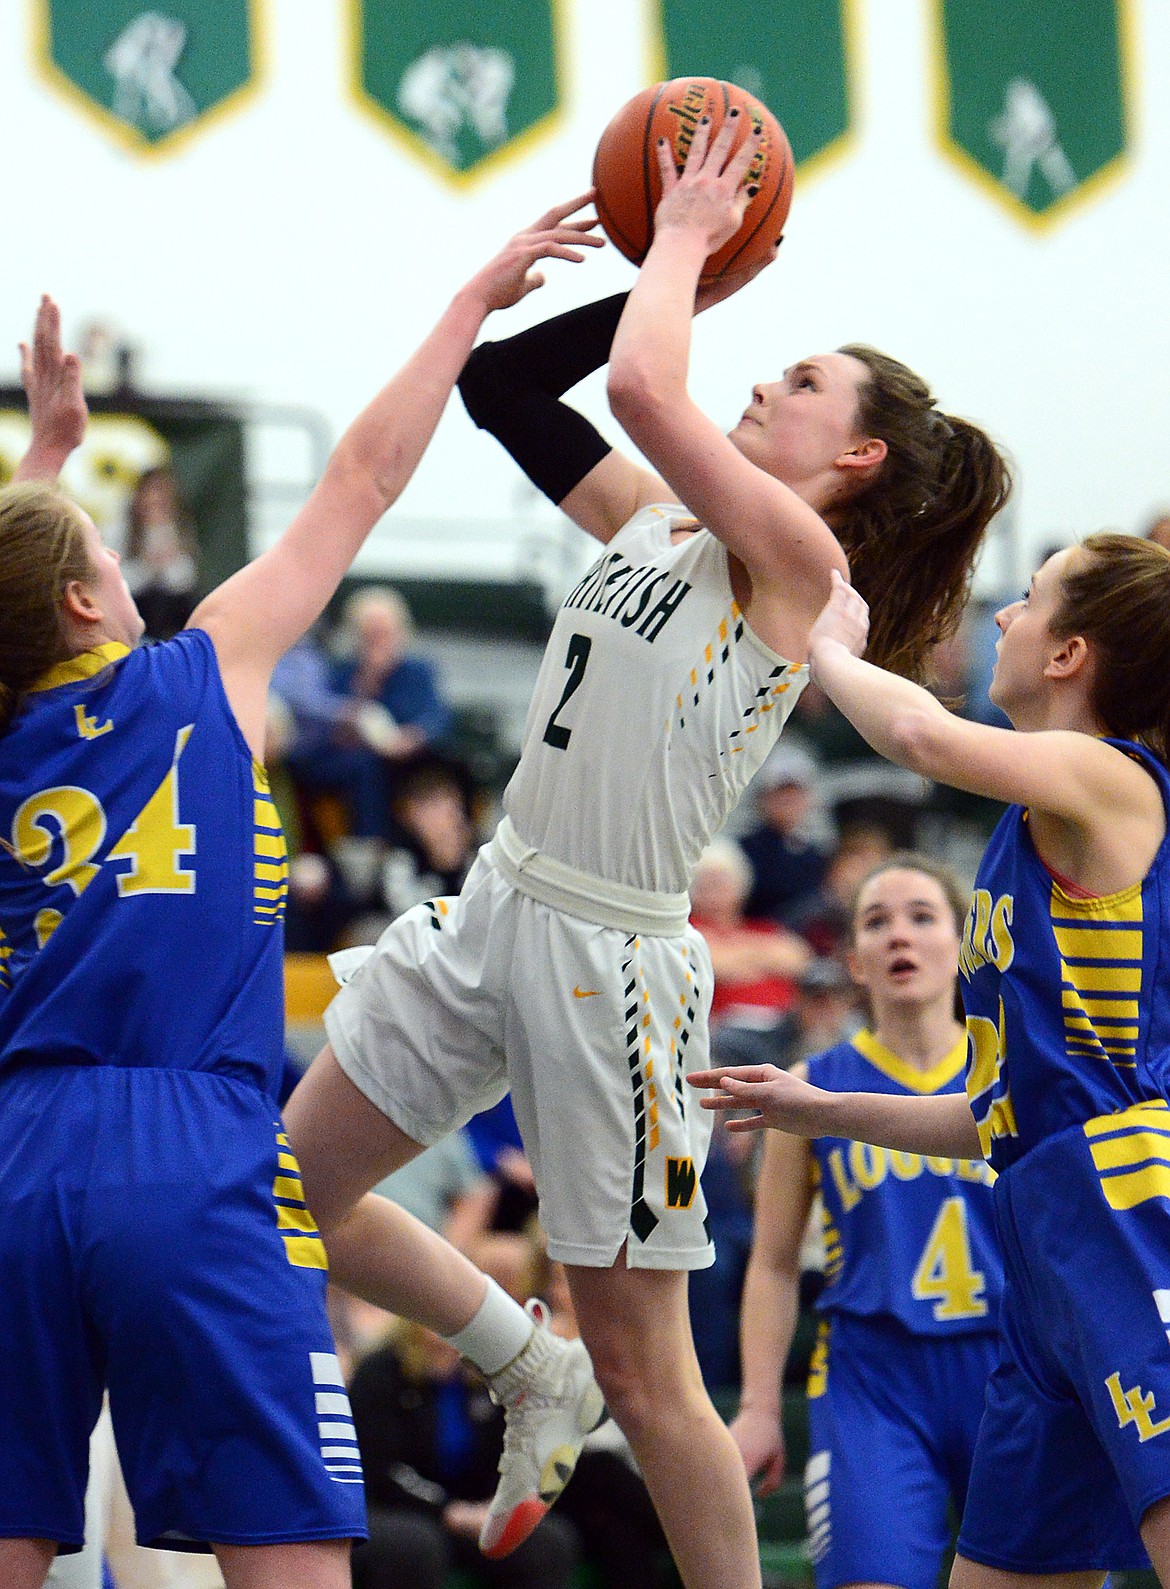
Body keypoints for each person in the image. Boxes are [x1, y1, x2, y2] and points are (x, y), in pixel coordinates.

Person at [281, 119, 1011, 1589]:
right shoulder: (660, 517)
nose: (759, 379)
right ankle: (515, 1363)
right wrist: (682, 278)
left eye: (798, 382)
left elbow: (638, 385)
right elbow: (507, 384)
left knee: (649, 1370)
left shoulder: (799, 571)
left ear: (855, 457)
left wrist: (682, 238)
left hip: (611, 959)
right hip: (498, 901)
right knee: (283, 1185)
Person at [0, 201, 609, 1589]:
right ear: (91, 608)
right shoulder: (207, 671)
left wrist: (42, 464)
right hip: (197, 1145)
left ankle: (524, 1359)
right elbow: (364, 474)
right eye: (100, 553)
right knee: (287, 1566)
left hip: (18, 1148)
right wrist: (468, 303)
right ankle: (528, 1359)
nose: (125, 567)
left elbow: (11, 598)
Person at [691, 543, 1170, 1582]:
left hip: (1131, 1214)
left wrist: (824, 641)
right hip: (1044, 1241)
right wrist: (816, 1106)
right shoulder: (1036, 820)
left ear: (1070, 653)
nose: (1003, 616)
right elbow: (997, 1118)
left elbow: (914, 728)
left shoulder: (1110, 774)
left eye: (1030, 599)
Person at [731, 855, 1002, 1589]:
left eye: (921, 915)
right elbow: (774, 1260)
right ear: (853, 958)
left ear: (964, 941)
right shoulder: (811, 1087)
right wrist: (758, 1406)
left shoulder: (1019, 1069)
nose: (898, 935)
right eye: (876, 921)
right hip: (873, 1374)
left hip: (1017, 1366)